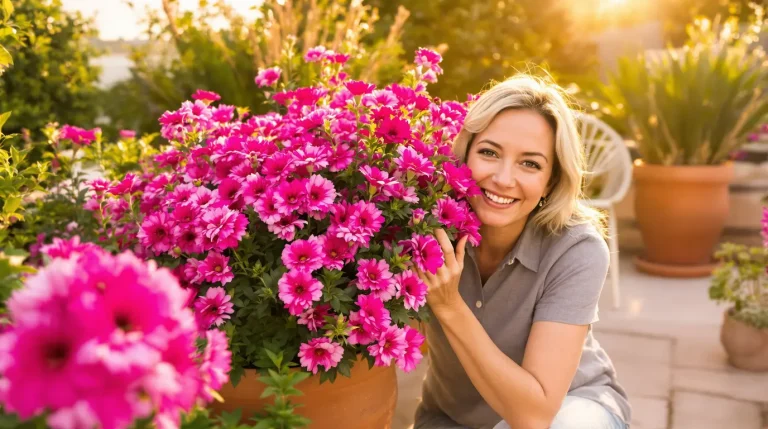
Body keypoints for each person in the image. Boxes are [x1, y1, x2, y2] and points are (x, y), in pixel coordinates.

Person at [412, 75, 631, 429]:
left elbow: (534, 417)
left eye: (529, 163)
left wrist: (449, 306)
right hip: (451, 420)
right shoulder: (424, 222)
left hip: (568, 413)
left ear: (552, 181)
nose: (502, 178)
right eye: (489, 152)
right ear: (465, 153)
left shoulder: (577, 249)